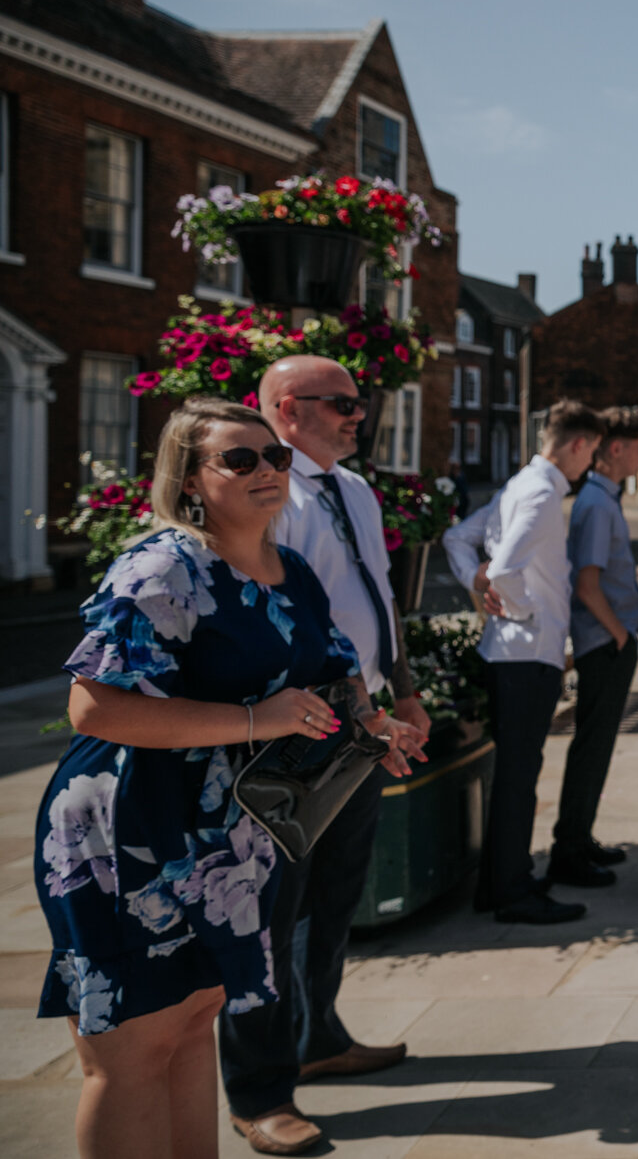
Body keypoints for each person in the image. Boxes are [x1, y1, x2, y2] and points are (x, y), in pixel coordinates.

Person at [37, 398, 411, 1159]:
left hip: (228, 835)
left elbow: (336, 674)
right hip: (131, 829)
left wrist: (374, 728)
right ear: (191, 479)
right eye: (240, 459)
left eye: (274, 456)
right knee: (134, 1047)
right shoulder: (164, 564)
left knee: (190, 1024)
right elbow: (93, 706)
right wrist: (254, 720)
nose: (268, 470)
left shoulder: (290, 567)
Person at [220, 358, 432, 1154]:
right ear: (285, 408)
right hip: (295, 731)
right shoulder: (276, 495)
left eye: (358, 403)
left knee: (334, 896)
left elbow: (377, 597)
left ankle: (319, 1033)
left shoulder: (356, 489)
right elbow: (287, 621)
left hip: (359, 723)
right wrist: (354, 710)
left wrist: (400, 692)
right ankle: (259, 1089)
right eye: (340, 403)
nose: (357, 415)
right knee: (269, 916)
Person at [443, 399, 606, 924]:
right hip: (525, 656)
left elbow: (457, 538)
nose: (590, 464)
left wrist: (477, 581)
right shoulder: (539, 492)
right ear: (578, 444)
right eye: (593, 452)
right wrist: (522, 611)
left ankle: (498, 883)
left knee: (514, 774)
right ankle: (512, 893)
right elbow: (507, 570)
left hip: (510, 653)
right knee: (519, 776)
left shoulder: (520, 484)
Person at [548, 407, 638, 889]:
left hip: (610, 640)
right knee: (592, 746)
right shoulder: (594, 503)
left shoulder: (603, 498)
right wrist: (619, 634)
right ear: (615, 449)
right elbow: (586, 584)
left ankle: (579, 838)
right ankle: (568, 851)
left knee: (598, 745)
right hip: (603, 644)